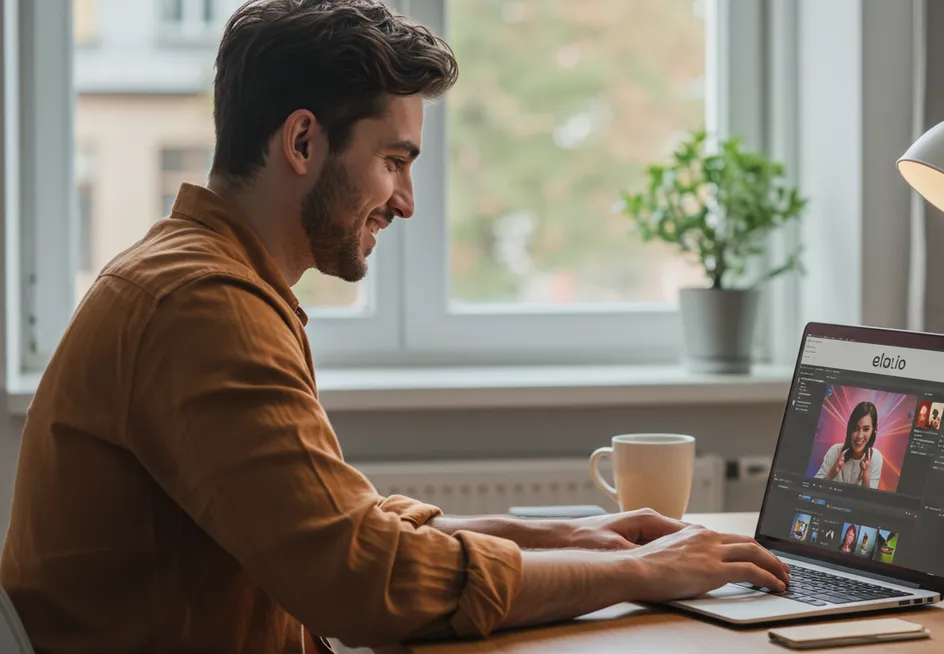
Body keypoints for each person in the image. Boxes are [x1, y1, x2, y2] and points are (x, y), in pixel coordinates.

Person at [0, 2, 791, 652]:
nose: (407, 201)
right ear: (303, 141)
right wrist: (641, 575)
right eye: (394, 160)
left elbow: (338, 528)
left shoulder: (200, 276)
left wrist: (573, 538)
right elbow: (365, 581)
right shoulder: (202, 307)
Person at [815, 401, 885, 489]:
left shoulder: (876, 457)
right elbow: (814, 488)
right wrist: (833, 472)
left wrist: (866, 472)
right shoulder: (834, 450)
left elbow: (868, 499)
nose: (859, 436)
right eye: (856, 428)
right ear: (850, 429)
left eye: (866, 429)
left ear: (873, 431)